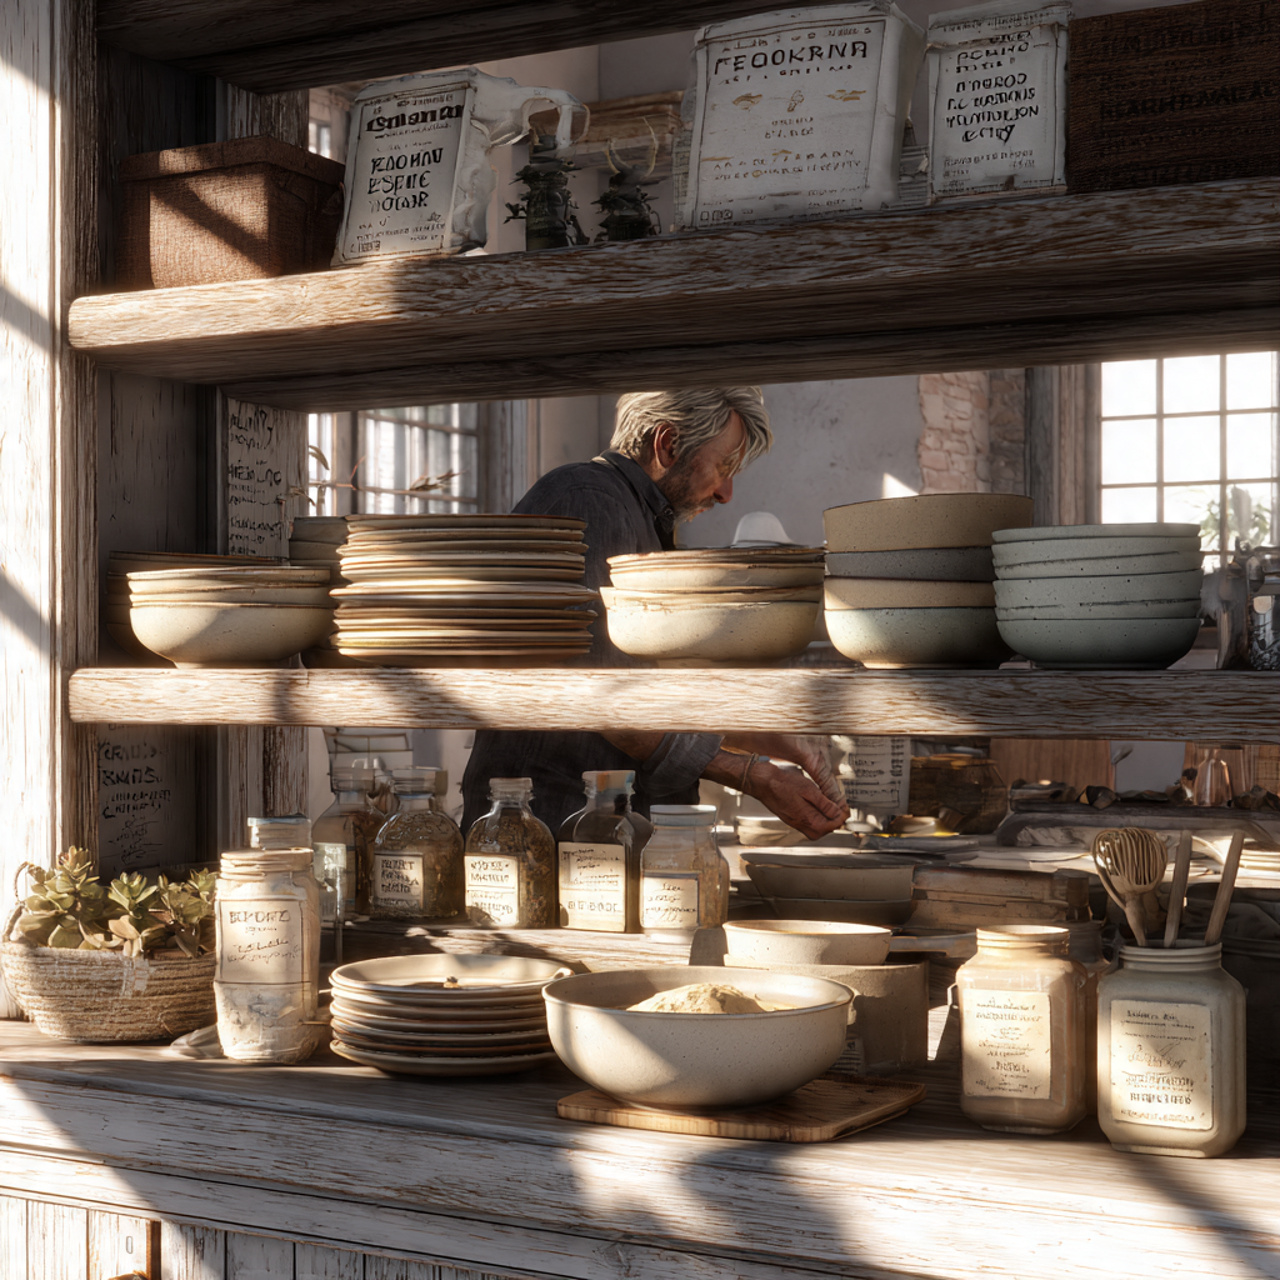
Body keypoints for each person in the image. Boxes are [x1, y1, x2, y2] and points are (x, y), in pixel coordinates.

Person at [460, 388, 849, 838]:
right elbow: (600, 694)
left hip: (595, 828)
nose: (726, 493)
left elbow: (644, 693)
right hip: (545, 828)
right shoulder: (590, 499)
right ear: (667, 444)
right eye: (724, 467)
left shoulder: (635, 515)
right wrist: (750, 774)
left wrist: (766, 737)